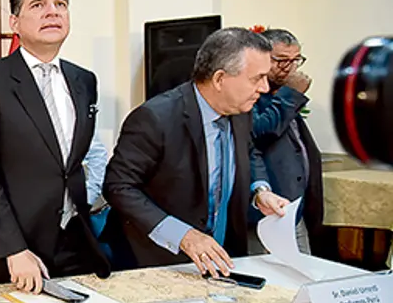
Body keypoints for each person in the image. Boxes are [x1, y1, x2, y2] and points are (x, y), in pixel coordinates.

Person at [0, 0, 111, 294]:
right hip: (6, 251)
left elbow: (76, 161)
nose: (52, 12)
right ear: (15, 22)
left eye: (61, 3)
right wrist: (13, 248)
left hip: (72, 242)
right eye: (38, 5)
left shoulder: (84, 81)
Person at [103, 27, 289, 275]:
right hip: (156, 262)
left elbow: (248, 153)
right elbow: (119, 186)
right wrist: (183, 236)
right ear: (220, 79)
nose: (265, 88)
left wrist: (260, 191)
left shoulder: (241, 112)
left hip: (224, 260)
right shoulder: (155, 118)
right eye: (257, 78)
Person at [249, 28, 321, 254]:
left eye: (295, 60)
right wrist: (290, 94)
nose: (288, 67)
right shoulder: (250, 94)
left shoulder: (280, 93)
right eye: (280, 60)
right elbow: (260, 134)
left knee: (304, 280)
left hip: (294, 208)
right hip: (266, 210)